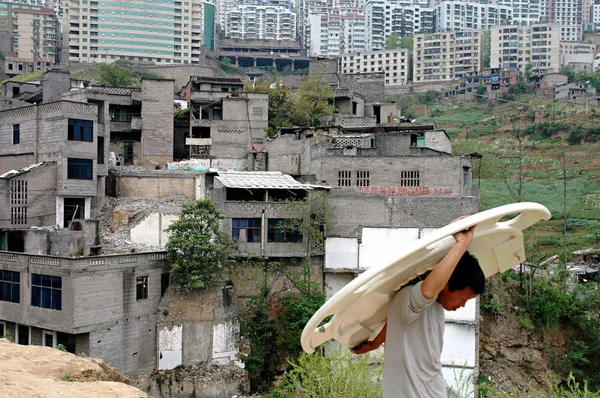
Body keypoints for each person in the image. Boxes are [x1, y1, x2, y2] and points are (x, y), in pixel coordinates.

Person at [351, 220, 485, 398]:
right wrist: (461, 244)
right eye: (463, 298)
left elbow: (398, 320)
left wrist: (375, 343)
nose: (462, 305)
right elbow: (428, 291)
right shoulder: (412, 296)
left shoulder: (431, 306)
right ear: (445, 284)